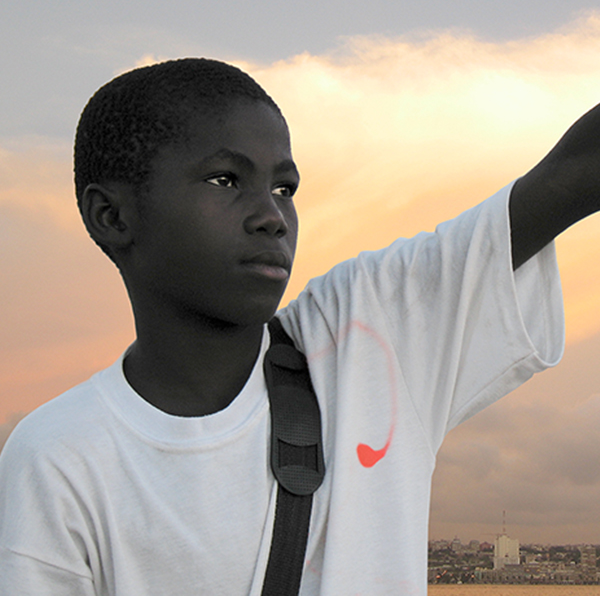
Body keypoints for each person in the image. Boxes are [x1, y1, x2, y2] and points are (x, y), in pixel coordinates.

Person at [0, 57, 597, 595]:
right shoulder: (58, 458)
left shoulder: (367, 337)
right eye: (225, 180)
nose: (273, 217)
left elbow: (576, 170)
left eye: (284, 188)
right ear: (111, 215)